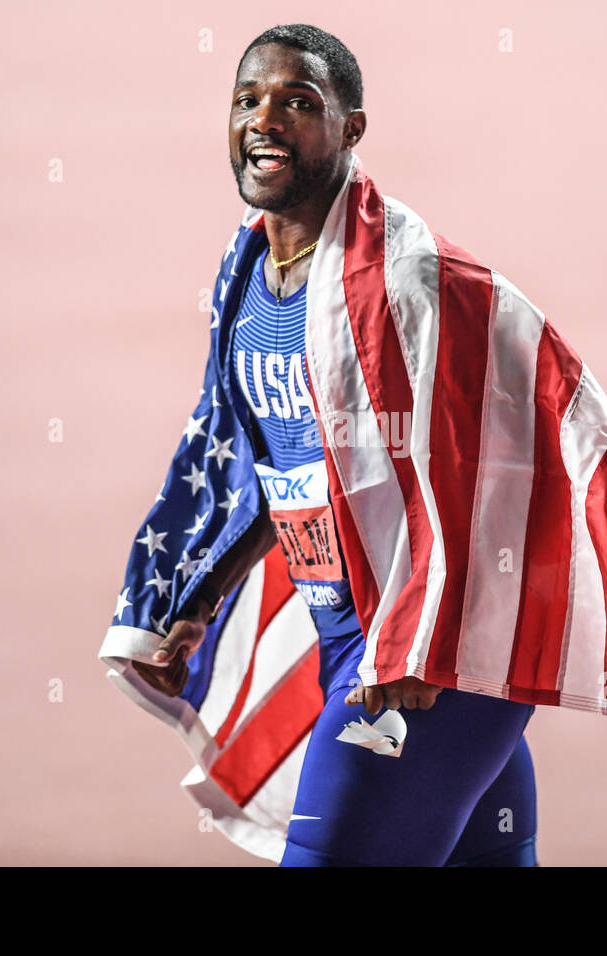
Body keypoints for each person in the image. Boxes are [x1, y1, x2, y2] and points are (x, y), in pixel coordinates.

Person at [129, 24, 539, 868]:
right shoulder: (246, 272)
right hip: (348, 639)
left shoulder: (404, 282)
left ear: (353, 128)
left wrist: (421, 639)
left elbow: (491, 475)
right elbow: (275, 471)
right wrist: (200, 602)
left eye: (298, 102)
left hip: (425, 665)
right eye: (248, 99)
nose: (263, 119)